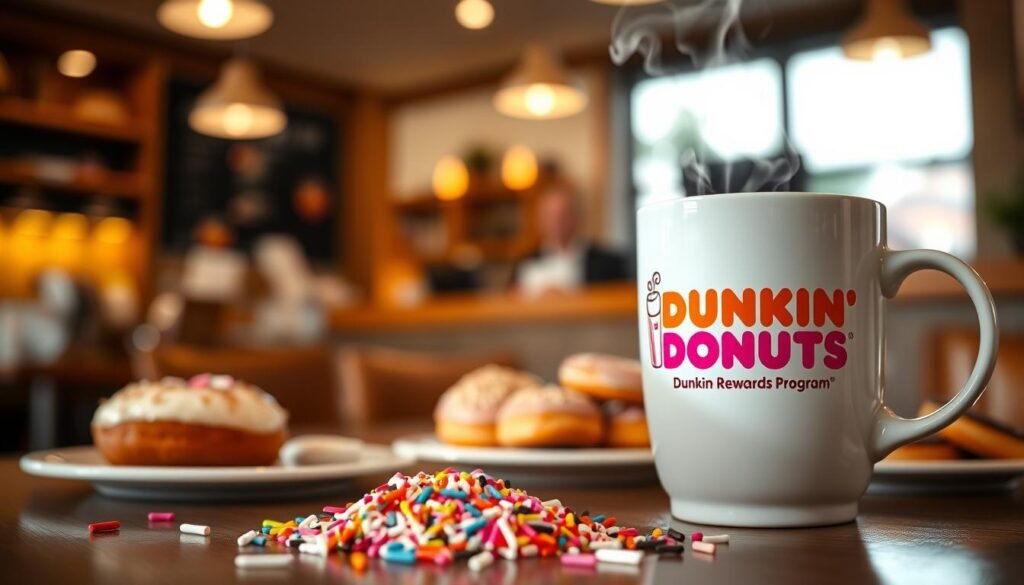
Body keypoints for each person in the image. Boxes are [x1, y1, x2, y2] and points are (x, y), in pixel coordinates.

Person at [517, 183, 628, 294]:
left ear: (578, 217)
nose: (556, 222)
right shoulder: (525, 263)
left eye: (563, 215)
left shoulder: (608, 264)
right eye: (549, 215)